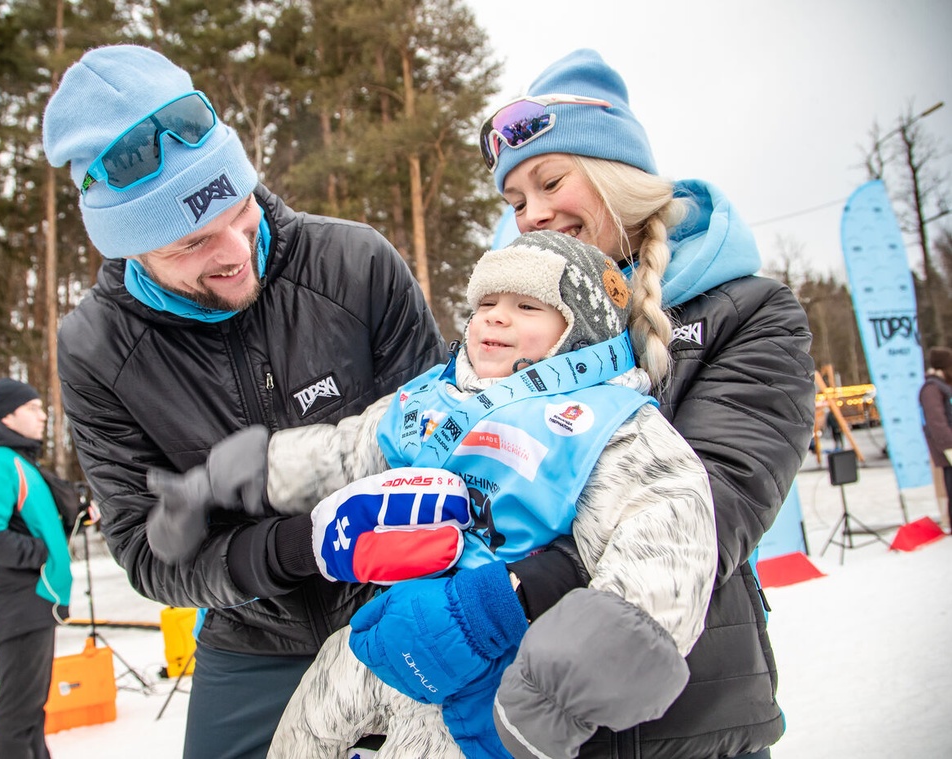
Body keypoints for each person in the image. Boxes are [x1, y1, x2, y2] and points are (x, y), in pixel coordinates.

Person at [347, 49, 814, 759]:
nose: (533, 214)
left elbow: (718, 500)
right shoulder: (519, 322)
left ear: (612, 174)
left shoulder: (747, 310)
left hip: (685, 712)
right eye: (514, 202)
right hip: (509, 702)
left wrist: (508, 593)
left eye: (550, 181)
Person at [41, 45, 446, 759]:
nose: (236, 250)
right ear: (131, 248)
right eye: (195, 241)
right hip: (252, 638)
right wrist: (294, 548)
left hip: (398, 608)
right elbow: (144, 552)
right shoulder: (94, 349)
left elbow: (443, 441)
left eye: (240, 208)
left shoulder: (355, 264)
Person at [217, 230, 714, 758]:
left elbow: (664, 545)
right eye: (486, 304)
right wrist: (251, 470)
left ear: (580, 333)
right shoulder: (435, 396)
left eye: (527, 305)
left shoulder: (603, 422)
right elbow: (350, 450)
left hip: (497, 655)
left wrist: (563, 691)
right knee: (304, 729)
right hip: (385, 627)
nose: (496, 317)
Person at [0, 378, 73, 759]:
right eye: (33, 408)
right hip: (18, 599)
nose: (43, 415)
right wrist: (40, 553)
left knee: (32, 707)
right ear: (7, 415)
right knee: (19, 710)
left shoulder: (16, 459)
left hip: (33, 600)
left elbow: (28, 519)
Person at [920, 346, 952, 533]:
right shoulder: (932, 388)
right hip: (947, 449)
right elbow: (936, 422)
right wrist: (949, 446)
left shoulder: (943, 385)